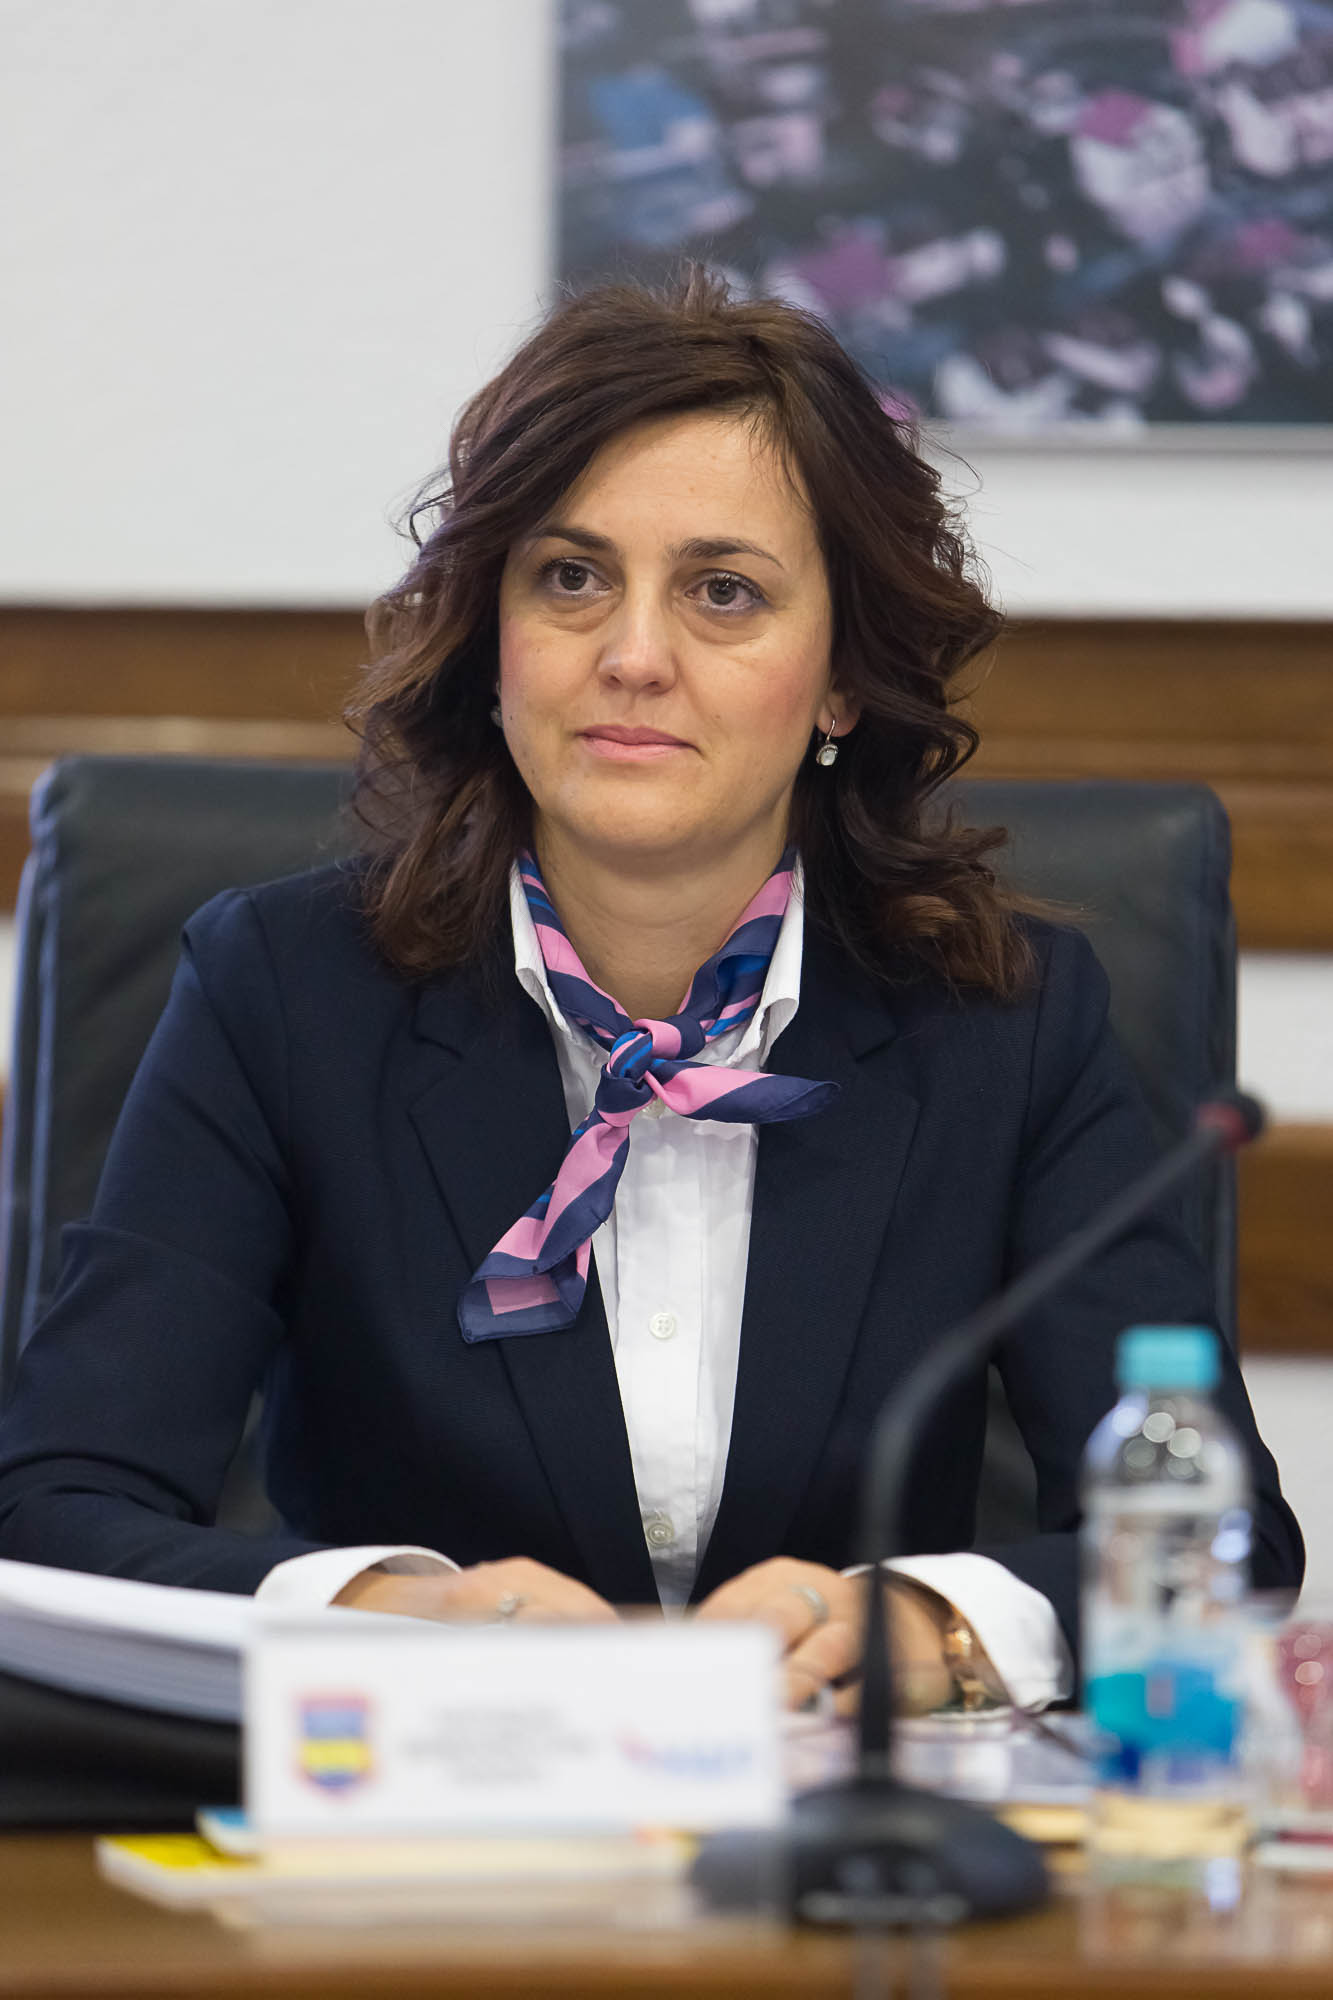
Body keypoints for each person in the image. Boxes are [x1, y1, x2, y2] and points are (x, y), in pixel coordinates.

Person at [0, 272, 1302, 1719]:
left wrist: (933, 1625)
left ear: (840, 681)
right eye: (570, 579)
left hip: (844, 1815)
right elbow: (54, 1508)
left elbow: (1222, 1541)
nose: (631, 656)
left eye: (722, 592)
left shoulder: (1004, 1021)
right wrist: (389, 1612)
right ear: (492, 641)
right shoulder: (283, 995)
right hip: (424, 1800)